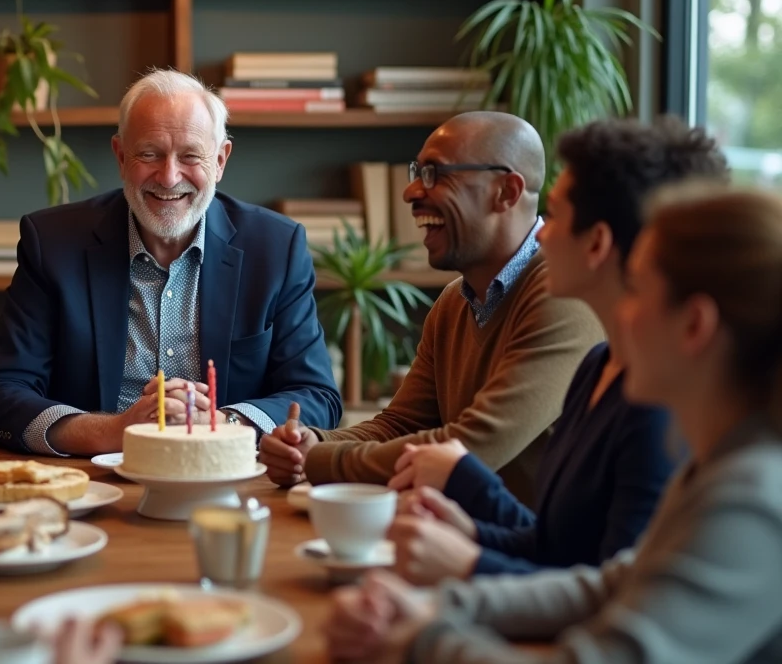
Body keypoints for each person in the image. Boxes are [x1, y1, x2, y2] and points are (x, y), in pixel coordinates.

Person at [323, 183, 782, 664]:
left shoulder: (751, 500)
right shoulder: (718, 465)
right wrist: (436, 605)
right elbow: (608, 587)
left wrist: (423, 637)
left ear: (695, 326)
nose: (619, 315)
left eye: (637, 290)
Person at [381, 117, 726, 584]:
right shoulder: (598, 367)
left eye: (557, 216)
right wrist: (473, 530)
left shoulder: (656, 408)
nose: (540, 234)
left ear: (597, 243)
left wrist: (469, 556)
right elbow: (557, 546)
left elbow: (610, 595)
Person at [0, 69, 341, 456]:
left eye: (190, 156)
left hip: (226, 474)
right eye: (149, 154)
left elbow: (317, 397)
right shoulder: (53, 244)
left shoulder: (276, 248)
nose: (168, 177)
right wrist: (114, 430)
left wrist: (222, 425)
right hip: (93, 476)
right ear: (120, 156)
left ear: (219, 160)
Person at [261, 111, 603, 501]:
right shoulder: (454, 301)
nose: (410, 192)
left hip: (535, 542)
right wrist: (309, 442)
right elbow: (400, 425)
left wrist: (319, 458)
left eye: (436, 174)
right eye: (417, 173)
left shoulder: (565, 293)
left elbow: (471, 447)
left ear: (506, 191)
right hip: (460, 531)